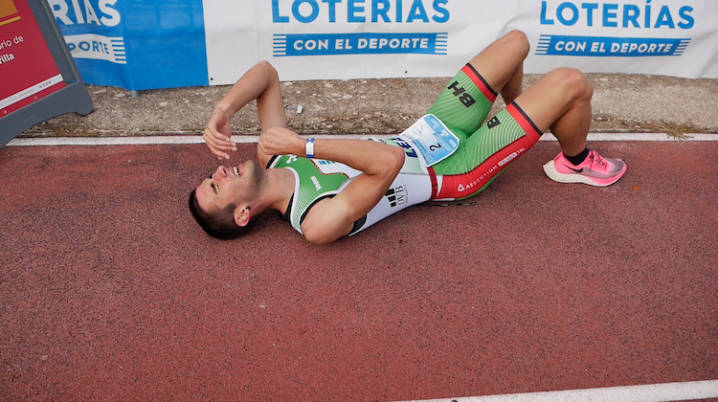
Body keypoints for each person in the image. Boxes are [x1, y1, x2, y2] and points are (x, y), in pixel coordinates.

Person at [189, 30, 626, 244]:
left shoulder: (275, 160)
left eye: (211, 177)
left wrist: (222, 110)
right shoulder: (315, 220)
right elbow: (388, 163)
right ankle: (575, 161)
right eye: (216, 186)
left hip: (432, 127)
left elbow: (266, 73)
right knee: (570, 82)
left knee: (515, 43)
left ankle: (521, 117)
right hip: (455, 170)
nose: (218, 173)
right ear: (243, 213)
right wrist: (302, 145)